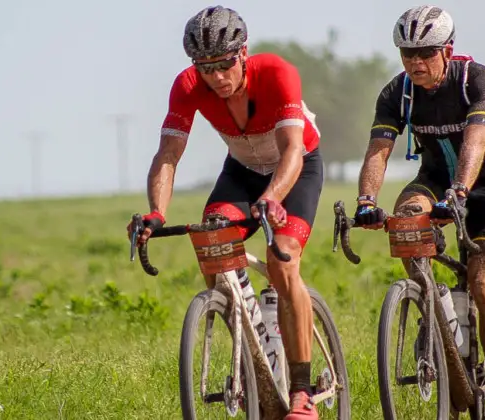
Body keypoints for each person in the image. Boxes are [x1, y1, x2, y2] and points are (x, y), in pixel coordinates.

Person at [126, 5, 324, 419]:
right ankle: (255, 358)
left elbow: (292, 151)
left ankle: (303, 393)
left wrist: (273, 198)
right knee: (213, 248)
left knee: (282, 260)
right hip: (242, 171)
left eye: (224, 64)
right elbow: (168, 154)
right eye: (205, 67)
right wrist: (156, 213)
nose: (216, 76)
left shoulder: (277, 72)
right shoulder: (186, 86)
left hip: (295, 169)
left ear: (243, 53)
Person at [353, 5, 485, 420]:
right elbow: (379, 150)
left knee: (483, 282)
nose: (415, 62)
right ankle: (434, 306)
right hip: (434, 179)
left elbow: (476, 142)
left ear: (447, 49)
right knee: (406, 221)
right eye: (407, 53)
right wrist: (365, 201)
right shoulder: (397, 93)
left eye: (425, 52)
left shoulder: (475, 80)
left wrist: (461, 191)